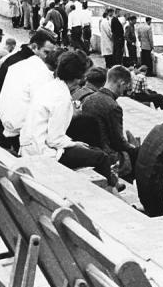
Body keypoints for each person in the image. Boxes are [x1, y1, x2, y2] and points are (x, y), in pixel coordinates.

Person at [20, 50, 120, 188]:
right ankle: (111, 191)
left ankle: (109, 184)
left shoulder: (50, 86)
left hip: (30, 145)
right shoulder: (62, 97)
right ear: (78, 78)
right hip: (44, 152)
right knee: (100, 157)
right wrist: (74, 144)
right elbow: (54, 139)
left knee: (88, 139)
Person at [0, 29, 58, 153]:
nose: (48, 57)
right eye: (46, 52)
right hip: (7, 130)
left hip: (1, 122)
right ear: (34, 47)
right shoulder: (28, 65)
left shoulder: (17, 58)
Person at [70, 65, 140, 179]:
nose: (123, 92)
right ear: (121, 83)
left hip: (90, 148)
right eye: (125, 87)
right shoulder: (113, 106)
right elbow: (118, 141)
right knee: (136, 154)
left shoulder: (89, 98)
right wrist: (133, 148)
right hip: (107, 153)